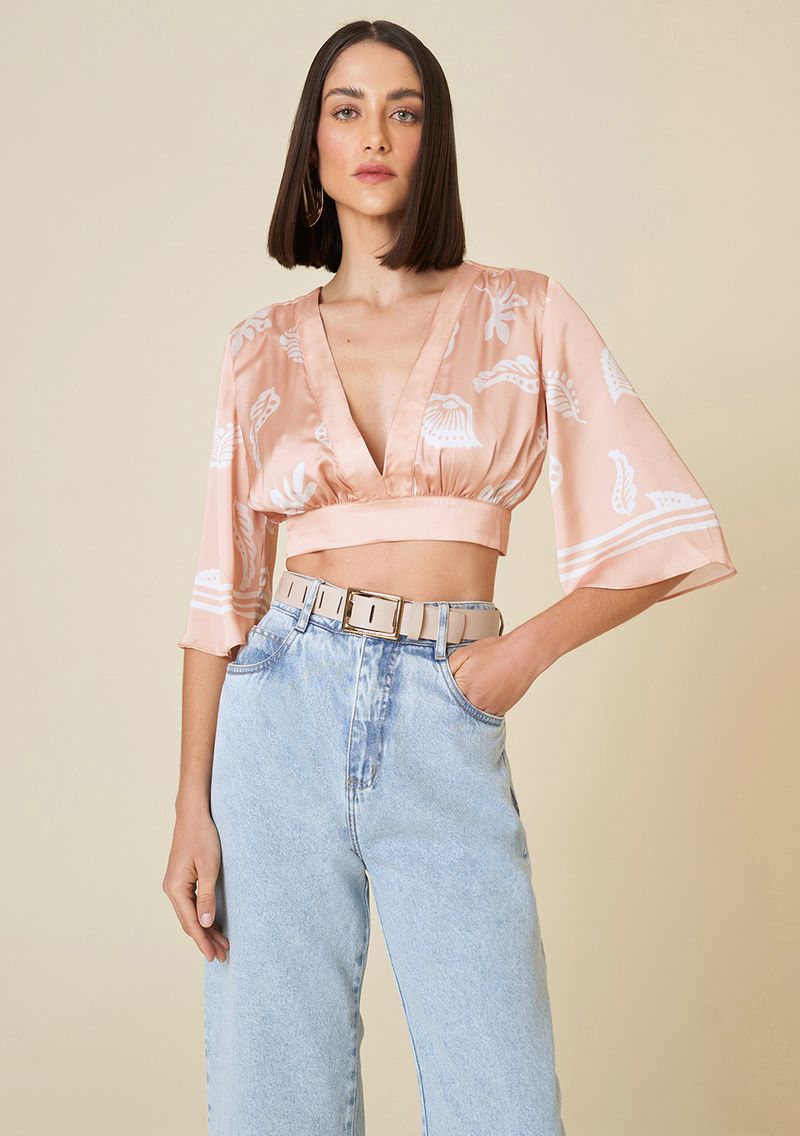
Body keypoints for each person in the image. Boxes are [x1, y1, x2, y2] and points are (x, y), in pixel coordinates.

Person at [163, 19, 736, 1136]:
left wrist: (521, 653)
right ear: (315, 146)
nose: (375, 133)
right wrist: (192, 801)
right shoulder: (258, 346)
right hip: (278, 711)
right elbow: (220, 591)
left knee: (499, 1099)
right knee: (273, 1090)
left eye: (404, 110)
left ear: (434, 140)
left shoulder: (524, 311)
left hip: (445, 697)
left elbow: (665, 530)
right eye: (346, 109)